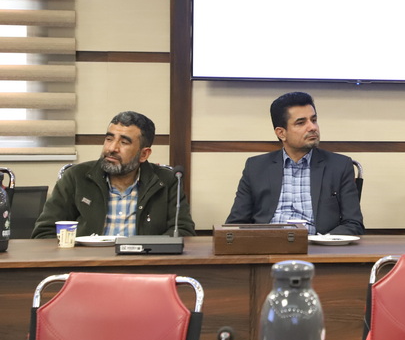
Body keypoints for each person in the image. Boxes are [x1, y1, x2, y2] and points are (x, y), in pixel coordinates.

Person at [32, 111, 195, 239]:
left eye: (124, 142)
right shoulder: (76, 177)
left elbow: (183, 231)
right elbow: (44, 232)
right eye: (109, 139)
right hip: (86, 264)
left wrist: (147, 252)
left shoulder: (166, 181)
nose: (112, 148)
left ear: (144, 154)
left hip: (143, 264)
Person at [225, 91, 364, 235]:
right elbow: (236, 224)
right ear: (281, 133)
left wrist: (324, 241)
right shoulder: (255, 167)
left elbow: (353, 224)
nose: (312, 127)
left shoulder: (339, 166)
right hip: (267, 244)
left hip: (317, 245)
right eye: (301, 123)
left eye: (314, 120)